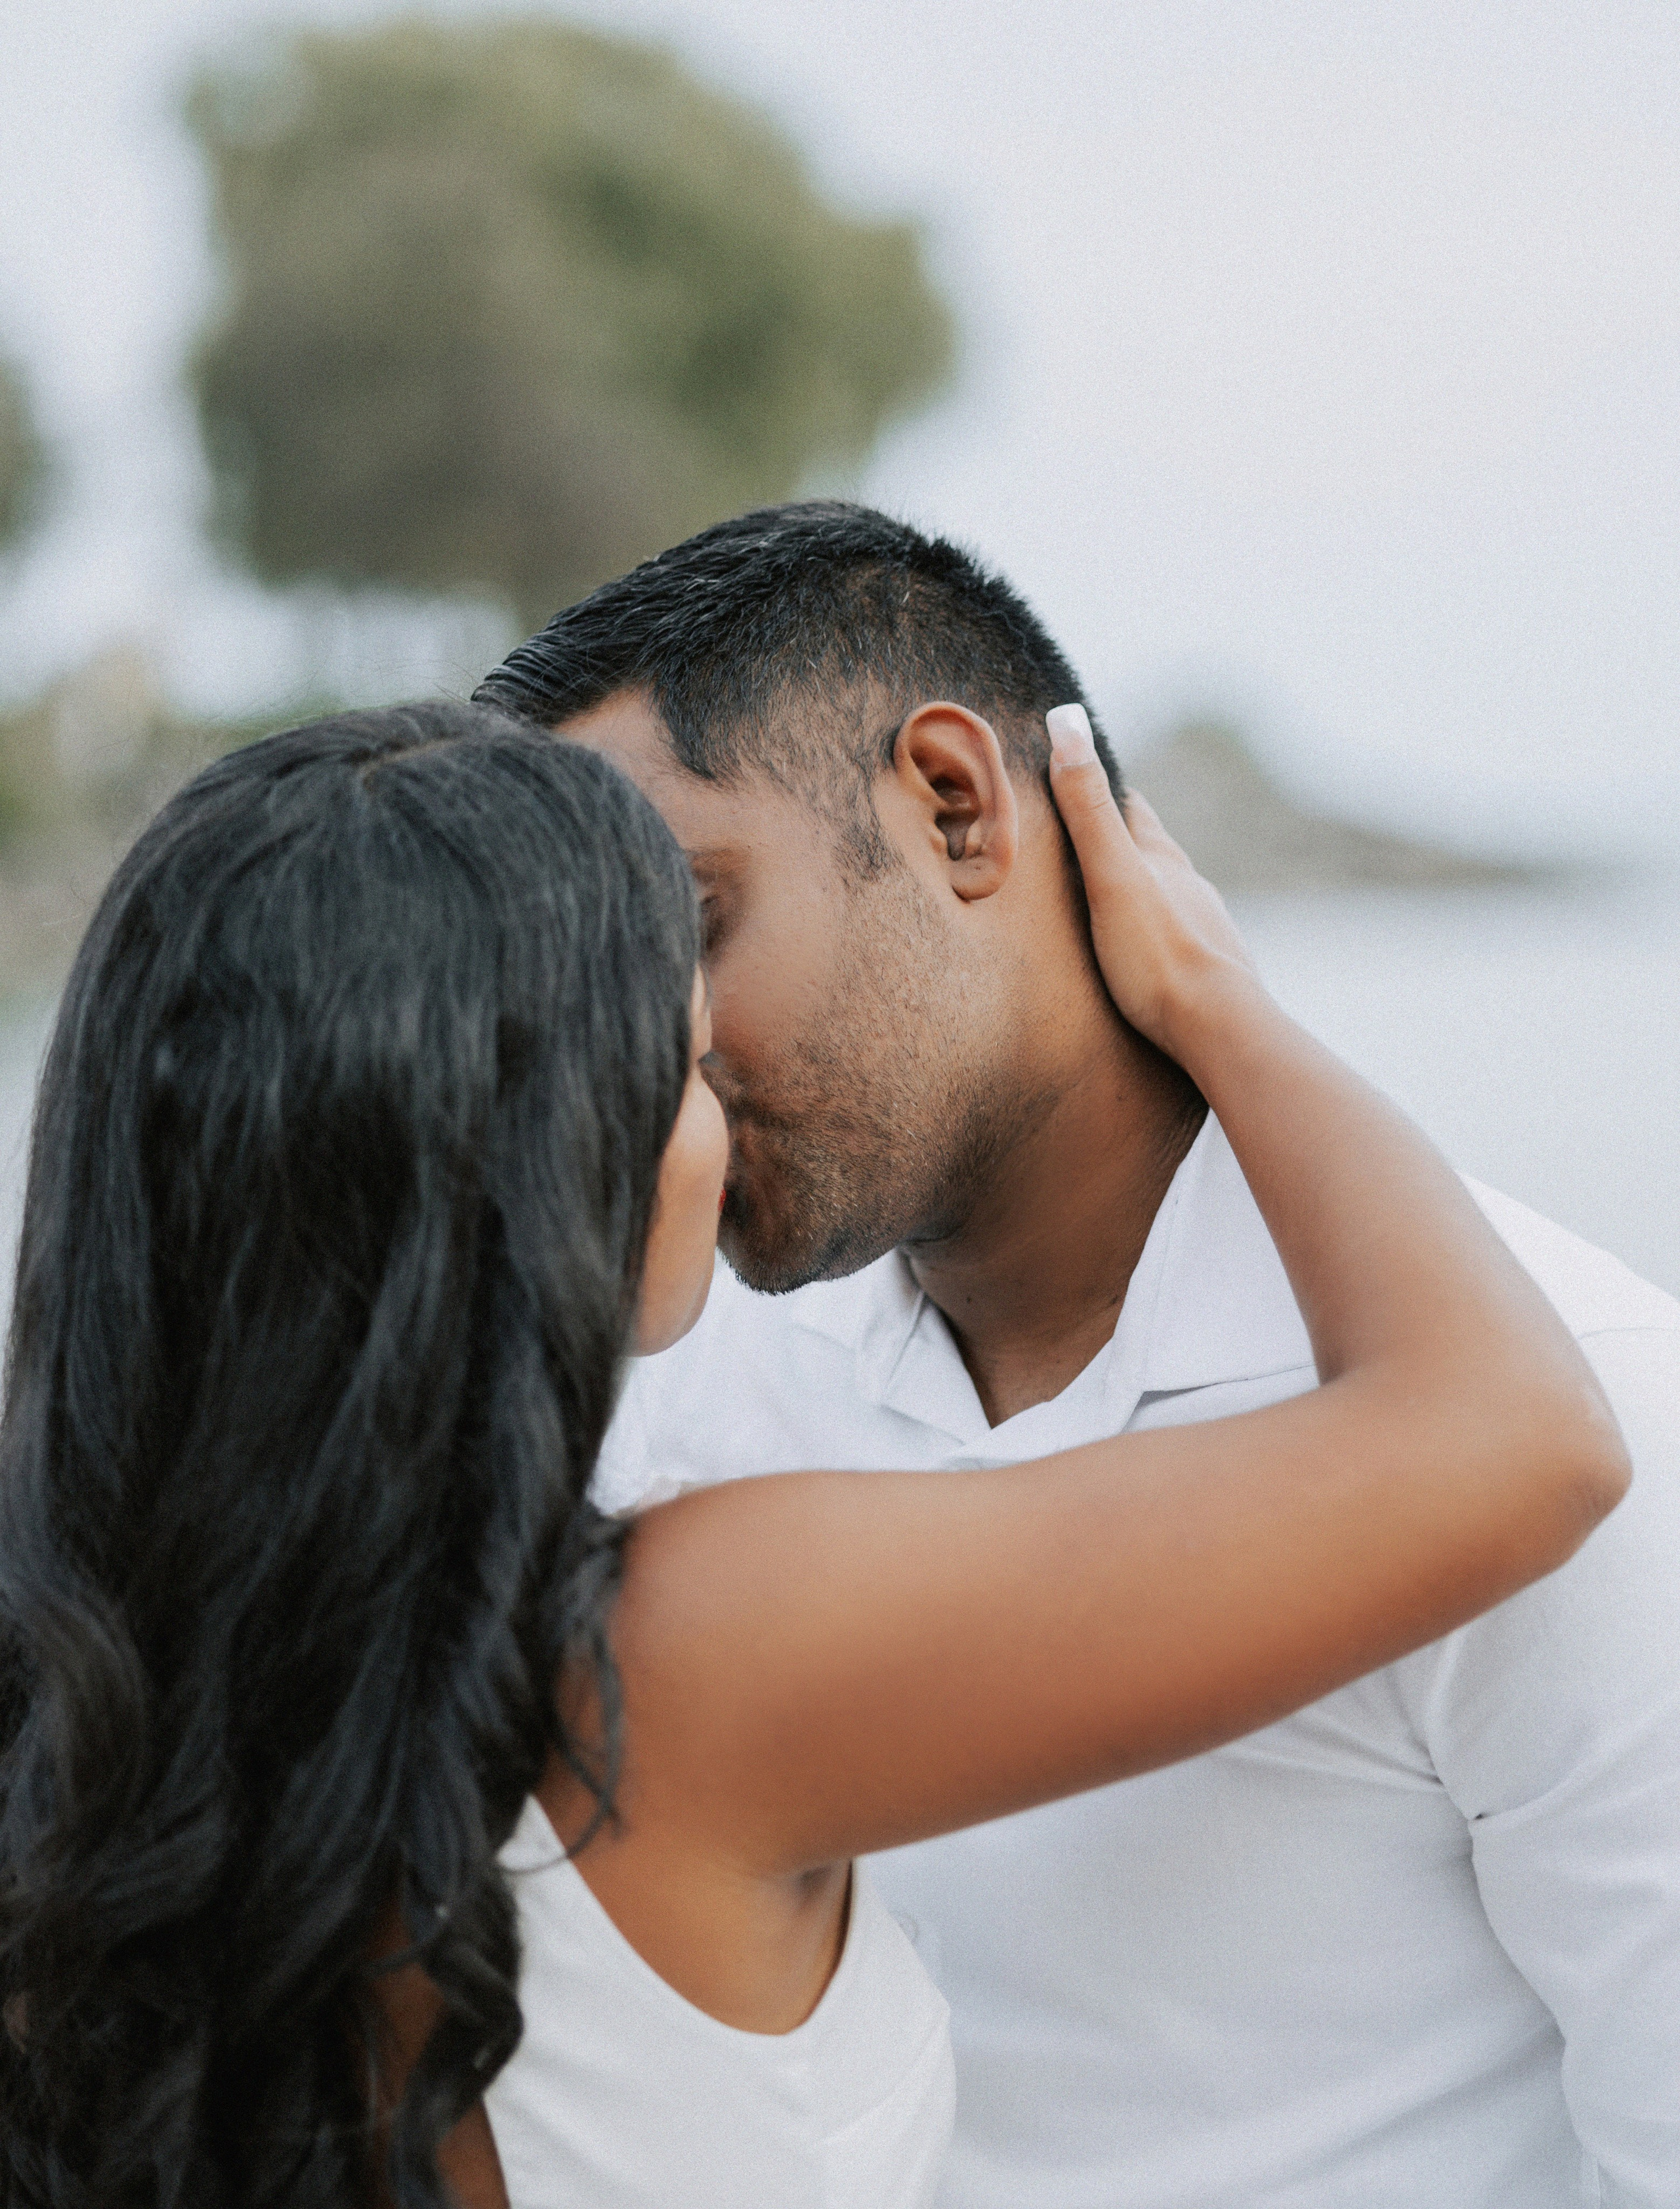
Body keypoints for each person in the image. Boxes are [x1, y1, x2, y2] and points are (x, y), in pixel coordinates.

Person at [0, 704, 1624, 2208]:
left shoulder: (84, 1691)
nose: (717, 1114)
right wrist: (1220, 1005)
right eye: (677, 1053)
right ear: (536, 1139)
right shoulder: (675, 1657)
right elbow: (1516, 1438)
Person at [474, 501, 1680, 2209]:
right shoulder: (682, 1388)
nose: (633, 1055)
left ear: (955, 807)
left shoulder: (1574, 1396)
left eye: (688, 924)